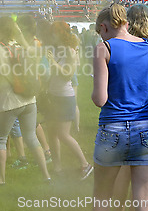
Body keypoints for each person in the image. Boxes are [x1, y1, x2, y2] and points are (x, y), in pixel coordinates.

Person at [92, 3, 148, 211]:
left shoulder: (103, 48)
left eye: (100, 33)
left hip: (112, 129)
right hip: (145, 129)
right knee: (144, 199)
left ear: (104, 27)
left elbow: (100, 99)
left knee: (102, 198)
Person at [0, 16, 51, 185]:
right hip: (29, 98)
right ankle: (46, 176)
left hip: (9, 100)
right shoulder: (23, 47)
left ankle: (1, 180)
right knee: (31, 137)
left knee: (0, 139)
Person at [45, 21, 93, 179]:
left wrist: (52, 63)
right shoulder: (58, 50)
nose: (51, 35)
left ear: (60, 34)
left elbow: (67, 74)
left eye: (53, 32)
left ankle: (85, 165)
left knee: (63, 134)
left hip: (65, 98)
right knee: (52, 133)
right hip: (53, 95)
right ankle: (57, 168)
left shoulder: (71, 52)